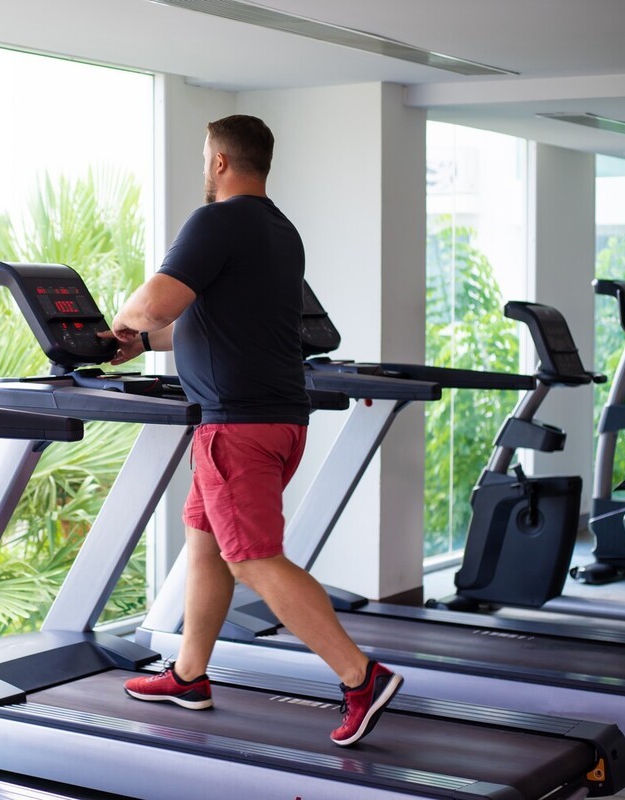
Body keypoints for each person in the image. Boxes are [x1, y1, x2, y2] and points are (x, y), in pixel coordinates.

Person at [102, 114, 403, 747]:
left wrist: (123, 324)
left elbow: (155, 303)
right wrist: (148, 345)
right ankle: (189, 675)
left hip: (236, 426)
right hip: (278, 417)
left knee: (254, 559)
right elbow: (217, 319)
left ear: (218, 162)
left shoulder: (216, 220)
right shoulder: (279, 231)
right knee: (208, 542)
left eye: (203, 155)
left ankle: (359, 677)